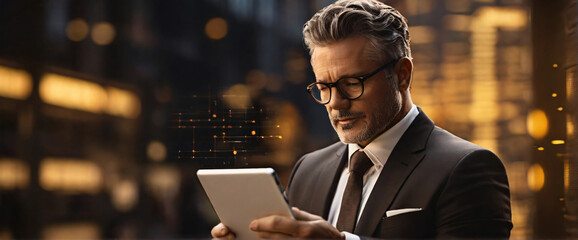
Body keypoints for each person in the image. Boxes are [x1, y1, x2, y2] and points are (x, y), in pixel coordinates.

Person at [212, 0, 513, 238]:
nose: (336, 103)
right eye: (324, 87)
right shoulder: (308, 169)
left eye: (352, 83)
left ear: (402, 75)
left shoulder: (468, 168)